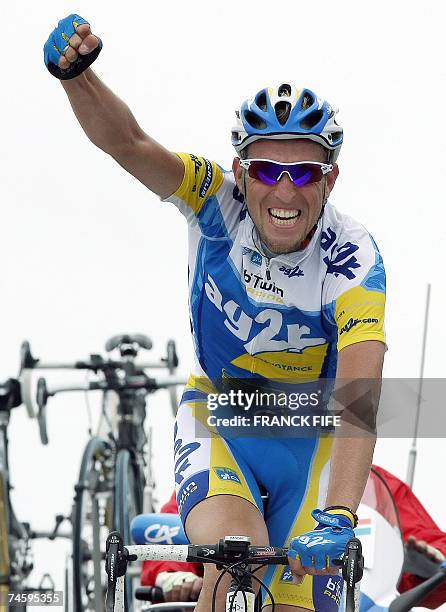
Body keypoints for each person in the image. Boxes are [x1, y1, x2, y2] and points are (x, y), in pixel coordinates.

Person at [44, 15, 387, 612]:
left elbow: (361, 393)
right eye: (266, 171)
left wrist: (338, 514)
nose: (284, 192)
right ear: (240, 171)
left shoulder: (353, 258)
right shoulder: (210, 197)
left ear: (330, 179)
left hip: (311, 438)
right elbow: (128, 143)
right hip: (222, 419)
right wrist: (78, 77)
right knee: (236, 567)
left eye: (303, 172)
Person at [143, 467, 446, 609]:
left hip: (353, 600)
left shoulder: (374, 480)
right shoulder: (223, 476)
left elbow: (433, 548)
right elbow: (168, 535)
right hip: (251, 598)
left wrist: (430, 562)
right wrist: (175, 579)